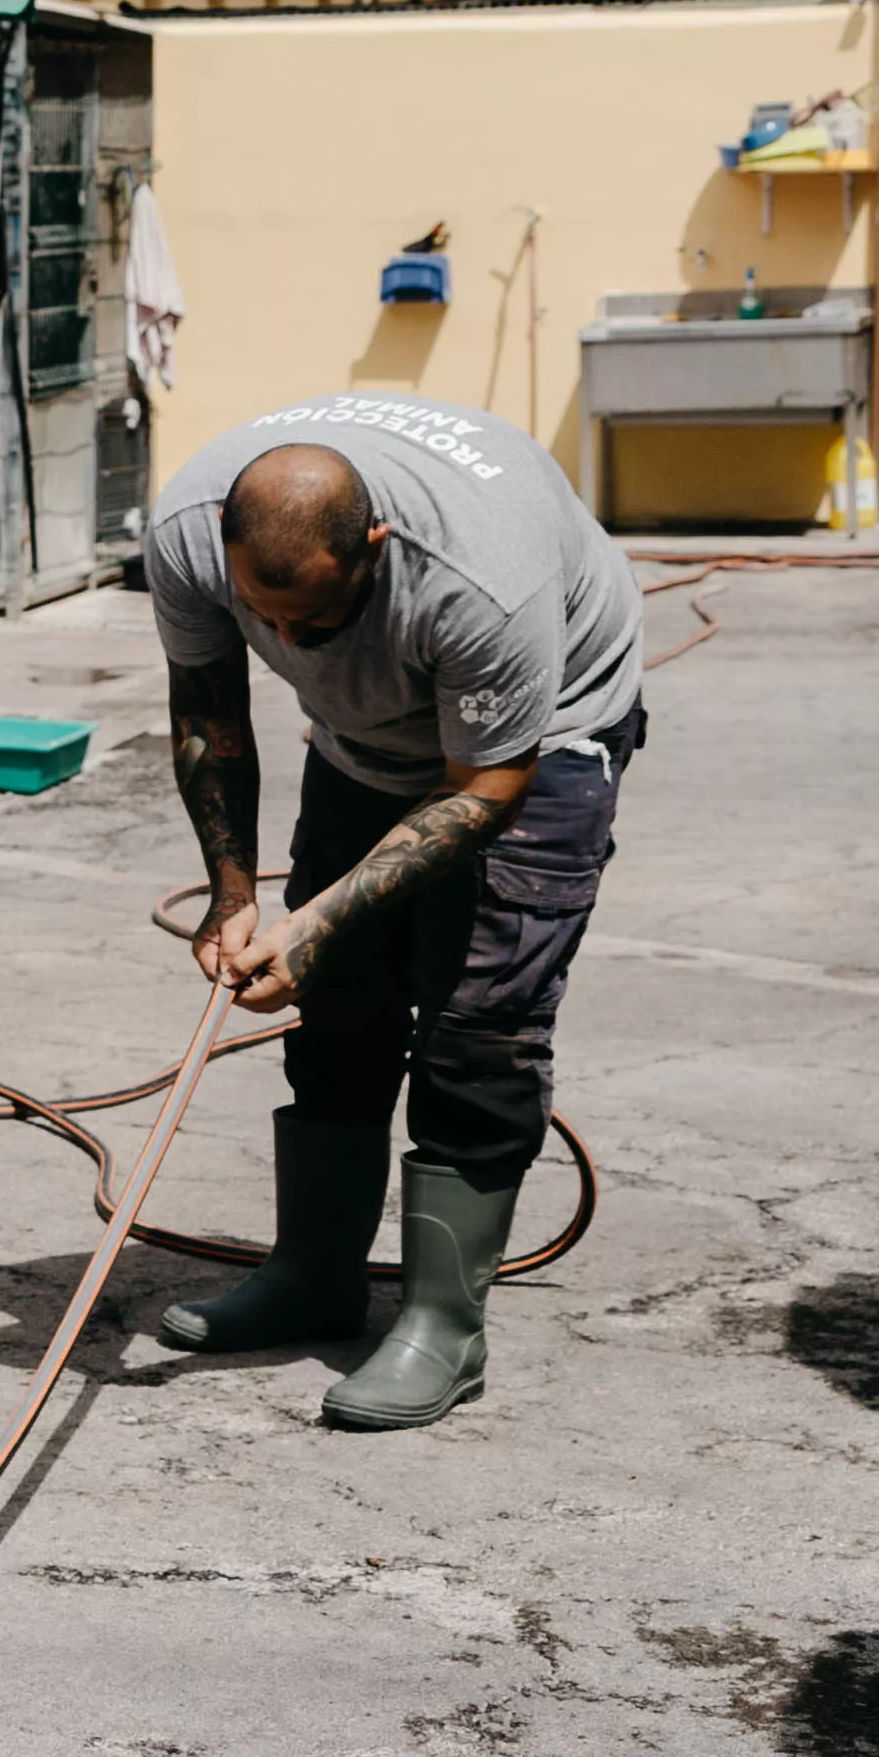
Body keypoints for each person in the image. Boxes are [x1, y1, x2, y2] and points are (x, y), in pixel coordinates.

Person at [139, 391, 647, 1431]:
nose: (291, 640)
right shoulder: (190, 537)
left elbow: (484, 788)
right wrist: (236, 893)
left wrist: (317, 919)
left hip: (535, 749)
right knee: (336, 1015)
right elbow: (207, 706)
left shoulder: (478, 581)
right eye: (265, 617)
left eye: (315, 620)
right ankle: (317, 1276)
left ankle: (442, 1329)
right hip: (367, 742)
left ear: (377, 544)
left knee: (478, 1026)